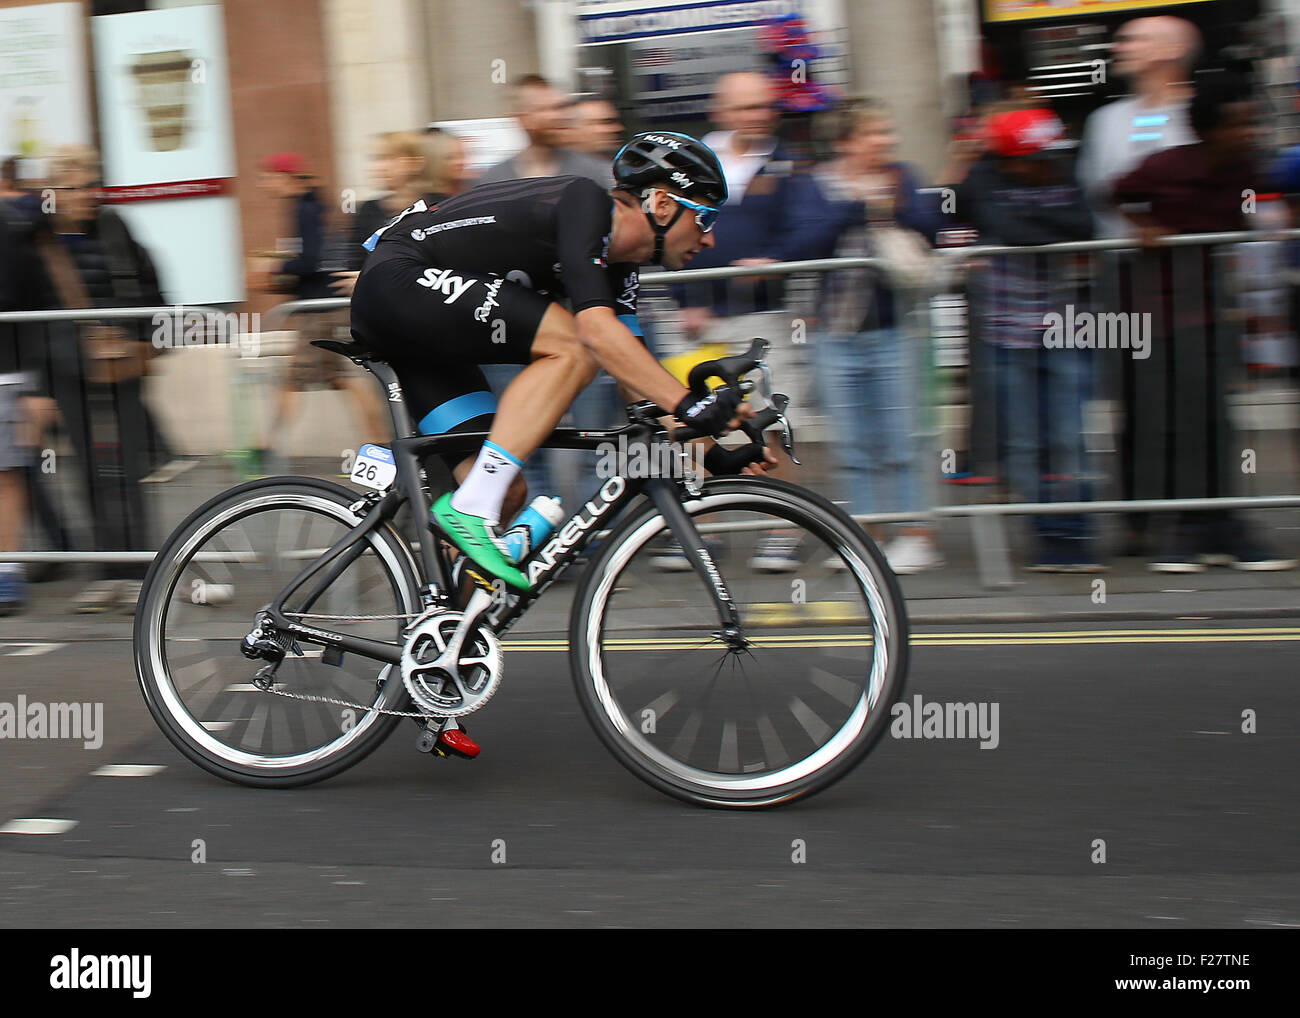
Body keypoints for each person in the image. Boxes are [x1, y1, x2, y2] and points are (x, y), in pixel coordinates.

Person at [349, 131, 777, 591]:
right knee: (574, 345)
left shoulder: (619, 269)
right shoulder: (584, 203)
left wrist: (713, 454)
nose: (710, 240)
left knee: (507, 491)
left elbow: (638, 384)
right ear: (665, 205)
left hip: (427, 335)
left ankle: (444, 638)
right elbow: (596, 336)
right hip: (397, 283)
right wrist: (693, 405)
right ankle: (471, 507)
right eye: (705, 218)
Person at [1111, 69, 1294, 572]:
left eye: (1250, 122)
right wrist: (1147, 226)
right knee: (1180, 422)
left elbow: (1276, 192)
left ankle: (1225, 527)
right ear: (1211, 128)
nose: (1248, 131)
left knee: (1219, 422)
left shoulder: (1246, 168)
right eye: (1239, 124)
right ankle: (1186, 533)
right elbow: (1116, 190)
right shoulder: (1167, 164)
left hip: (1212, 309)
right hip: (1160, 313)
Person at [779, 98, 945, 573]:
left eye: (888, 134)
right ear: (848, 141)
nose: (886, 142)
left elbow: (934, 229)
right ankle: (866, 535)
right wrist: (857, 207)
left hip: (893, 330)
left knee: (900, 438)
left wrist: (898, 207)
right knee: (851, 443)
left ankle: (915, 533)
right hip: (832, 334)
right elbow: (800, 245)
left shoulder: (903, 177)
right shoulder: (812, 185)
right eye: (876, 134)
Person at [666, 71, 811, 572]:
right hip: (698, 321)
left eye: (764, 106)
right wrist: (686, 297)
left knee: (770, 424)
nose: (759, 116)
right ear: (722, 110)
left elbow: (808, 229)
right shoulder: (694, 160)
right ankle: (700, 531)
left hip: (762, 321)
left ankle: (782, 529)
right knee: (691, 425)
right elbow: (670, 227)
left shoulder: (788, 164)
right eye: (747, 108)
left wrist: (776, 259)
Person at [950, 108, 1102, 571]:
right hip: (1005, 333)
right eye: (1037, 158)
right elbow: (1007, 229)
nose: (1048, 166)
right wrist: (1032, 225)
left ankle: (1074, 533)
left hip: (1062, 329)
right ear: (1011, 159)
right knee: (1023, 441)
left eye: (1052, 156)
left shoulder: (1063, 173)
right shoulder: (982, 177)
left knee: (1069, 436)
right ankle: (1044, 533)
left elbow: (1084, 225)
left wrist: (1025, 223)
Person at [38, 144, 166, 612]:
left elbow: (148, 283)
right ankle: (106, 570)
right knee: (89, 471)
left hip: (120, 362)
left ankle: (138, 571)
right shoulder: (40, 234)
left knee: (126, 468)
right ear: (54, 190)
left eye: (91, 185)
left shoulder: (113, 225)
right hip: (66, 370)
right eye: (75, 187)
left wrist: (138, 333)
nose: (86, 195)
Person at [254, 152, 385, 468]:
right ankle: (378, 443)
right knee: (334, 378)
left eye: (269, 177)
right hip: (318, 308)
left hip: (319, 312)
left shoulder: (306, 208)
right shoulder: (309, 204)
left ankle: (267, 447)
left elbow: (311, 259)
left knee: (318, 378)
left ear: (286, 178)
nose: (266, 184)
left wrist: (276, 264)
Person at [479, 75, 612, 187]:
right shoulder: (496, 179)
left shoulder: (590, 171)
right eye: (545, 109)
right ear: (521, 118)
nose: (558, 116)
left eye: (560, 108)